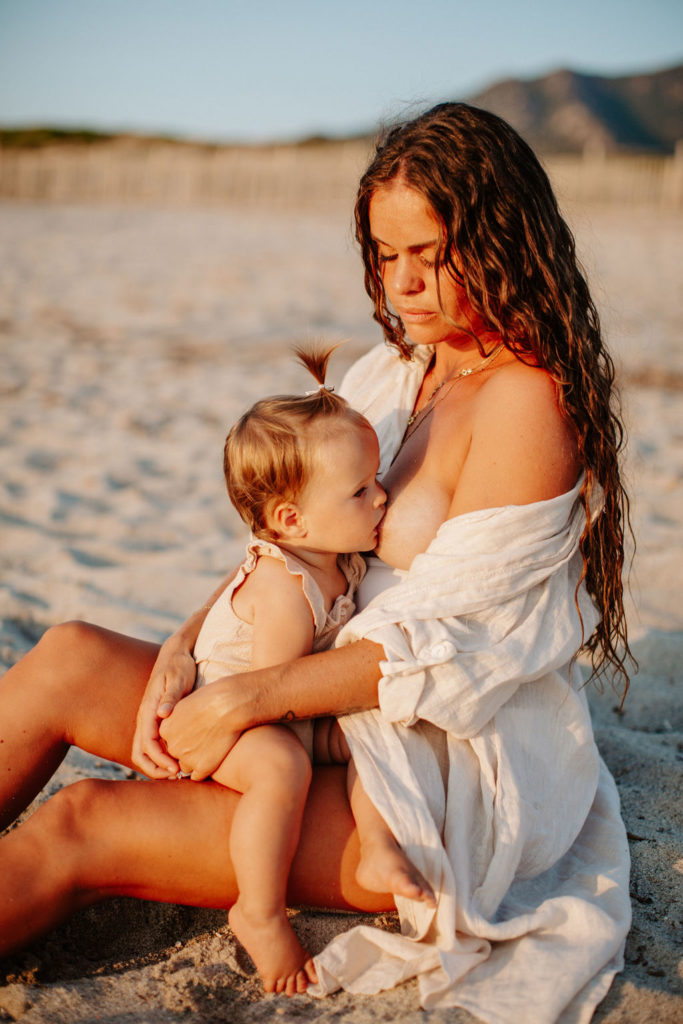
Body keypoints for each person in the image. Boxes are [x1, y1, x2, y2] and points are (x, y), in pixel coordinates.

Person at [0, 102, 632, 1020]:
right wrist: (183, 648)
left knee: (82, 821)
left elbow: (456, 643)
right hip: (305, 706)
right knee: (65, 656)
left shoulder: (525, 405)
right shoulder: (389, 371)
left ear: (500, 237)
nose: (405, 284)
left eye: (432, 251)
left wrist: (242, 699)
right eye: (386, 255)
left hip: (426, 767)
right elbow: (287, 537)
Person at [184, 343, 432, 994]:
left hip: (275, 703)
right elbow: (264, 695)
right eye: (360, 490)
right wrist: (314, 742)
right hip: (228, 704)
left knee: (371, 730)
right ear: (290, 520)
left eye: (376, 480)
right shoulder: (286, 588)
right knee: (280, 766)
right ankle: (259, 913)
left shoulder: (337, 556)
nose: (382, 498)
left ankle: (379, 847)